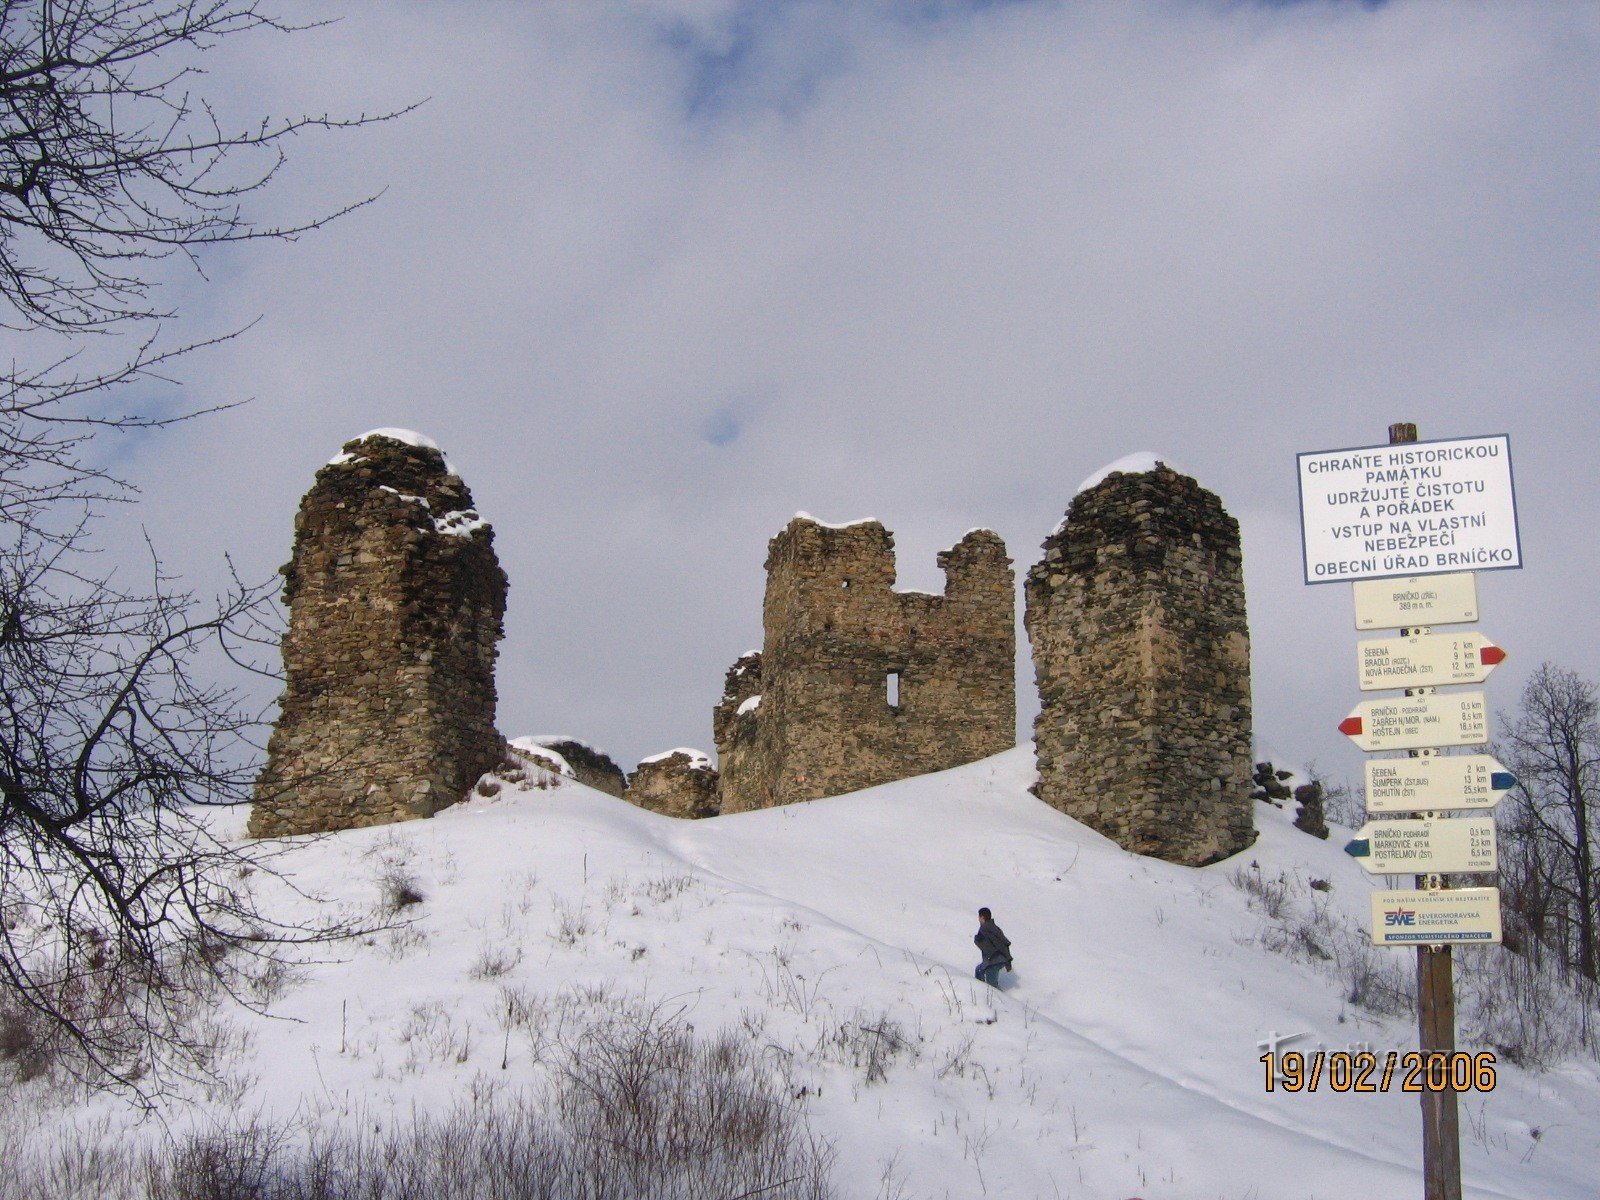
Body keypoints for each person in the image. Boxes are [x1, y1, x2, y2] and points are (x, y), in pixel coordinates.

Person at [973, 906, 1012, 988]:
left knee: (992, 987)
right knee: (979, 971)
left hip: (994, 960)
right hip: (997, 959)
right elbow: (1004, 942)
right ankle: (981, 991)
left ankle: (1000, 1000)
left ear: (982, 917)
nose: (978, 919)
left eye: (979, 917)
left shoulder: (985, 928)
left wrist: (977, 939)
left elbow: (984, 944)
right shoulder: (994, 928)